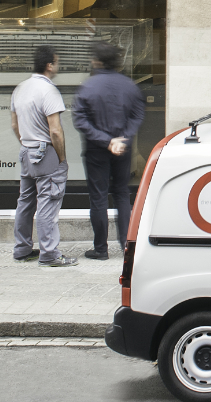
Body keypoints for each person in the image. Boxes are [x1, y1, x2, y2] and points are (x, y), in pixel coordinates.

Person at [72, 42, 145, 259]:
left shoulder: (88, 87)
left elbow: (80, 120)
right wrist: (122, 139)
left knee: (98, 197)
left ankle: (101, 249)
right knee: (122, 194)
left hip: (96, 149)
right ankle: (127, 246)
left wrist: (106, 141)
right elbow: (137, 115)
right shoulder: (129, 86)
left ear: (97, 61)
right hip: (122, 148)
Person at [12, 45, 77, 268]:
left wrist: (26, 144)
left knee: (25, 203)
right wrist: (62, 159)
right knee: (48, 203)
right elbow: (55, 130)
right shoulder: (49, 90)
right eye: (57, 62)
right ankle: (49, 254)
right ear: (50, 65)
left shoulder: (20, 88)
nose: (58, 66)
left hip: (26, 151)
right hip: (45, 152)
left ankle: (22, 249)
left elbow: (15, 125)